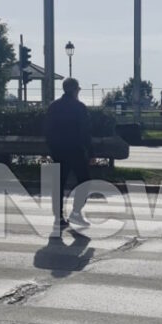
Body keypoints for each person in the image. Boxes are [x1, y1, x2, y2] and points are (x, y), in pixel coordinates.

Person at [45, 77, 91, 229]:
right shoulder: (79, 107)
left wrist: (51, 149)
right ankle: (75, 213)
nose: (78, 91)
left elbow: (48, 130)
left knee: (58, 184)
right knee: (85, 182)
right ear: (73, 89)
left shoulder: (53, 107)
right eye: (78, 89)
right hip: (76, 150)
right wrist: (91, 152)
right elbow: (85, 132)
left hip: (58, 150)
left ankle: (58, 217)